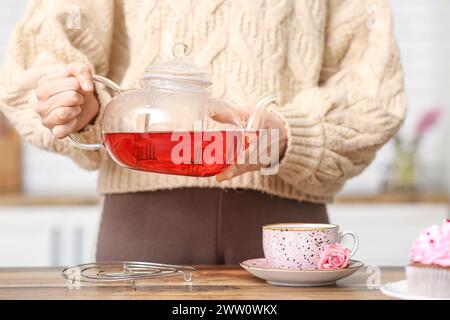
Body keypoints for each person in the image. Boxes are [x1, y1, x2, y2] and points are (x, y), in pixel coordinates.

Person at [0, 0, 405, 265]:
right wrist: (78, 101)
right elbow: (39, 58)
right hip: (144, 226)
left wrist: (288, 132)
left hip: (288, 233)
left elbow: (374, 95)